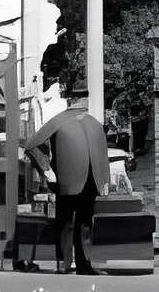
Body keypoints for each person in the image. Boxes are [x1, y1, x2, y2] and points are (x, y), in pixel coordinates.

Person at [24, 104, 109, 274]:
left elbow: (31, 145)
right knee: (80, 222)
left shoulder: (59, 121)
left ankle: (65, 263)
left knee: (67, 221)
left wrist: (46, 170)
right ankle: (80, 264)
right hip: (90, 179)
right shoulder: (94, 123)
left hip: (71, 178)